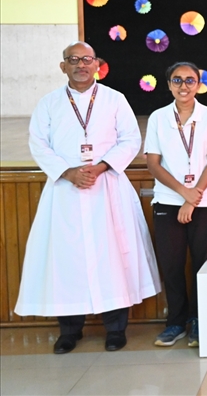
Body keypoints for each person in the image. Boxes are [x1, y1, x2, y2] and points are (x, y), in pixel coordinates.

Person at [15, 41, 160, 354]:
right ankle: (69, 331)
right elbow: (38, 144)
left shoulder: (114, 99)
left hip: (106, 186)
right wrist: (68, 172)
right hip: (64, 191)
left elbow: (130, 139)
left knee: (113, 258)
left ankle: (116, 330)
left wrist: (101, 167)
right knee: (65, 261)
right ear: (63, 66)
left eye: (86, 59)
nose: (81, 65)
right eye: (73, 59)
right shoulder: (49, 103)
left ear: (97, 65)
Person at [145, 62, 207, 347]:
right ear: (169, 85)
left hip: (204, 201)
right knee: (172, 265)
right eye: (177, 80)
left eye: (190, 80)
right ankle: (176, 322)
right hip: (168, 200)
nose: (183, 86)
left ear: (198, 85)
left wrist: (194, 197)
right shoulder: (158, 117)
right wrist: (183, 193)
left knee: (201, 262)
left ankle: (199, 320)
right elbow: (153, 164)